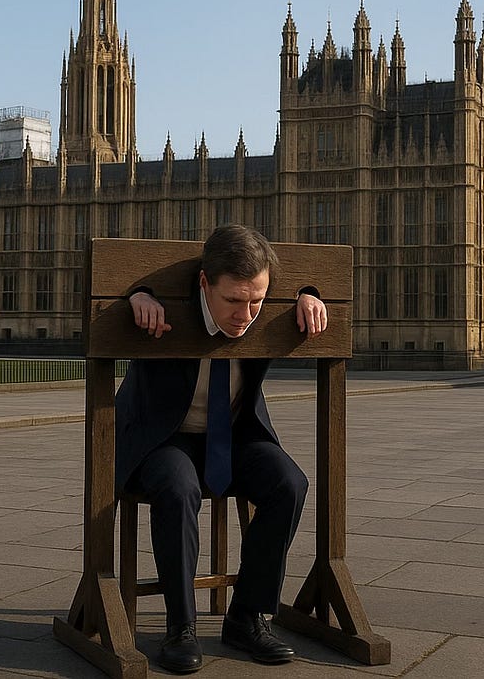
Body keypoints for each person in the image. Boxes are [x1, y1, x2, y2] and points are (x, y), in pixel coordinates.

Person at [116, 224, 326, 673]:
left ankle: (248, 617)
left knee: (289, 483)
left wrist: (308, 292)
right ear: (204, 283)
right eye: (234, 301)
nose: (247, 314)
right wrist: (135, 296)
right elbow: (119, 281)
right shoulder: (161, 303)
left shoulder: (258, 306)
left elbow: (297, 284)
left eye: (257, 301)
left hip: (233, 435)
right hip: (164, 437)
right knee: (177, 489)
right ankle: (181, 626)